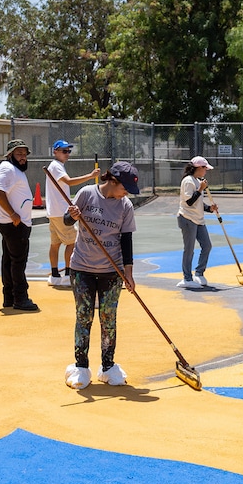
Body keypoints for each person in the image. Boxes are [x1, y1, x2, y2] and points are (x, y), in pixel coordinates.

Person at [63, 161, 139, 389]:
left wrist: (128, 273)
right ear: (113, 181)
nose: (126, 193)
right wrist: (73, 216)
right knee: (84, 316)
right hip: (82, 268)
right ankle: (80, 366)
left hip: (111, 271)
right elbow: (67, 220)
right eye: (124, 188)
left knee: (108, 319)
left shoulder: (125, 206)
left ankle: (107, 367)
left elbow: (126, 241)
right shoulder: (87, 194)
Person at [45, 139, 101, 287]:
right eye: (64, 151)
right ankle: (69, 273)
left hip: (54, 211)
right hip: (60, 211)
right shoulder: (56, 166)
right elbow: (69, 182)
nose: (67, 154)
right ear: (55, 151)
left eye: (68, 151)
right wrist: (90, 176)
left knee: (55, 243)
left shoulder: (56, 166)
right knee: (73, 242)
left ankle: (55, 273)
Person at [0, 139, 39, 311]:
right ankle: (20, 298)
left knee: (9, 260)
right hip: (14, 224)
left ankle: (9, 297)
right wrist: (13, 213)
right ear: (10, 154)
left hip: (13, 223)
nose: (23, 157)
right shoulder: (7, 168)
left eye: (24, 154)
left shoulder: (14, 169)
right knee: (18, 261)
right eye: (19, 154)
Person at [176, 156, 217, 289]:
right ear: (199, 168)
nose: (206, 171)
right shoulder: (188, 181)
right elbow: (189, 202)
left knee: (207, 245)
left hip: (198, 219)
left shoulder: (197, 180)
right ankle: (187, 278)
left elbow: (198, 203)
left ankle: (199, 273)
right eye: (205, 168)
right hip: (187, 219)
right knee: (189, 249)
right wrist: (200, 189)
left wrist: (209, 209)